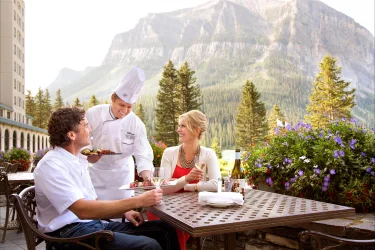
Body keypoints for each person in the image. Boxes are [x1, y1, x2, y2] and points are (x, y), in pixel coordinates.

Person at [34, 107, 180, 250]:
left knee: (164, 230)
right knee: (148, 246)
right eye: (85, 126)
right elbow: (82, 210)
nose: (90, 130)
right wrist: (138, 201)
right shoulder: (52, 165)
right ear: (72, 135)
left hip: (90, 225)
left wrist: (124, 212)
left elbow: (92, 201)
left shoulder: (77, 160)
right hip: (68, 235)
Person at [148, 110, 221, 250]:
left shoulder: (208, 154)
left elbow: (216, 184)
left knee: (178, 226)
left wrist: (189, 187)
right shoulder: (169, 153)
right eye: (179, 125)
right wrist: (187, 179)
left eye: (183, 126)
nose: (178, 129)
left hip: (193, 208)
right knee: (168, 226)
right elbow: (163, 187)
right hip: (166, 207)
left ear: (196, 130)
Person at [85, 66, 153, 201]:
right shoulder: (94, 113)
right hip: (96, 173)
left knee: (122, 213)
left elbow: (143, 154)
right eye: (121, 105)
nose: (125, 110)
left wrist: (147, 177)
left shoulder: (136, 124)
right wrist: (89, 154)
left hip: (122, 176)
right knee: (95, 212)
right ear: (112, 98)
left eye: (129, 107)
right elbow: (82, 139)